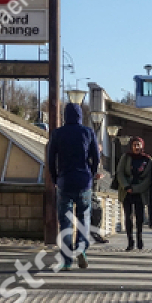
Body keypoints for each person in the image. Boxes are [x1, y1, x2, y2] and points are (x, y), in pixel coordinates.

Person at [45, 103, 101, 271]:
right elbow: (96, 158)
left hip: (64, 181)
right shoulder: (88, 132)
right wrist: (90, 174)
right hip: (83, 181)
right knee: (84, 218)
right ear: (80, 116)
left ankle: (67, 260)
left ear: (65, 116)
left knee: (65, 222)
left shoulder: (57, 133)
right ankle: (81, 249)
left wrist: (56, 179)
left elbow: (50, 159)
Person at [115, 137, 152, 251]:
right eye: (134, 145)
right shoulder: (126, 157)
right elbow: (120, 172)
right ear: (131, 146)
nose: (136, 147)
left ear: (142, 146)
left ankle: (140, 238)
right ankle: (130, 241)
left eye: (138, 145)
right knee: (128, 216)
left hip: (140, 192)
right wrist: (126, 186)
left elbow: (148, 178)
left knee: (140, 217)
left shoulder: (148, 160)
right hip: (126, 191)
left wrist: (136, 189)